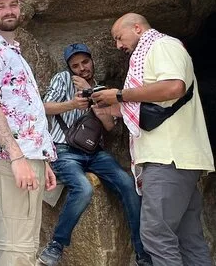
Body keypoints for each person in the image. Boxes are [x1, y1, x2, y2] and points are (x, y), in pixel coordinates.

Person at [92, 13, 215, 266]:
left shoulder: (162, 46)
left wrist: (120, 95)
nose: (118, 45)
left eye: (119, 37)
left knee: (155, 236)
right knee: (188, 241)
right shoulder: (154, 52)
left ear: (137, 28)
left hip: (168, 158)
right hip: (177, 159)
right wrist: (110, 106)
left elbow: (174, 87)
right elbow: (153, 107)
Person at [37, 43, 152, 266]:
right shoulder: (63, 79)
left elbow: (109, 126)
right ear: (69, 68)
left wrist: (94, 97)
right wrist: (72, 104)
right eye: (75, 65)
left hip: (94, 152)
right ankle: (56, 245)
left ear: (92, 61)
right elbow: (43, 107)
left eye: (85, 62)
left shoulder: (101, 89)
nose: (82, 68)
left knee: (128, 184)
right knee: (83, 188)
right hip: (64, 149)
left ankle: (142, 254)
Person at [0, 0, 57, 266]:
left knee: (25, 248)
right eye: (0, 6)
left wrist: (42, 158)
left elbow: (23, 108)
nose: (9, 10)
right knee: (15, 250)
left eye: (13, 4)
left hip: (27, 157)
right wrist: (17, 156)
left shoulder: (12, 51)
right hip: (10, 159)